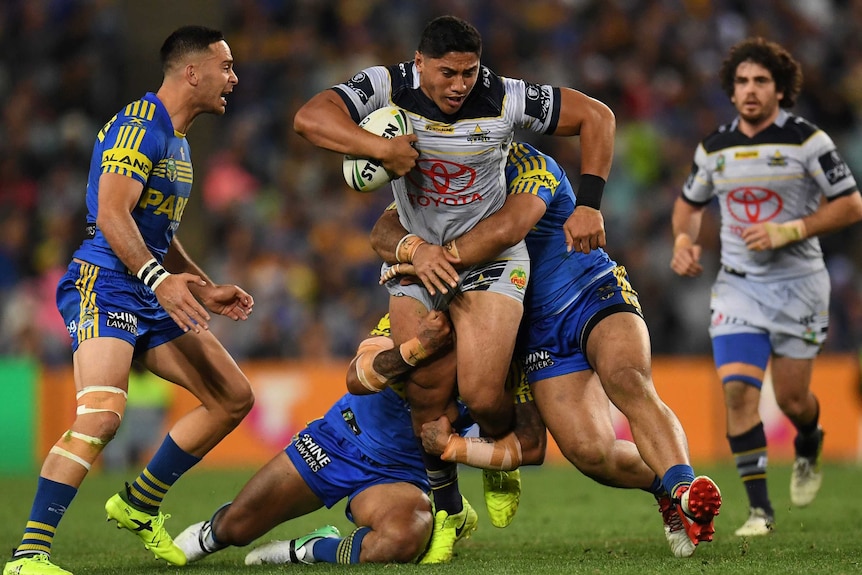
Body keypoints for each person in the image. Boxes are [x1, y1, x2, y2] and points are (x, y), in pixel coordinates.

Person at [293, 14, 614, 555]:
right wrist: (376, 149)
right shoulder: (384, 85)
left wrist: (588, 202)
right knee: (421, 387)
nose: (459, 84)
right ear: (420, 66)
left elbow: (597, 116)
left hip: (487, 256)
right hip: (420, 258)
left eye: (469, 72)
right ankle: (446, 513)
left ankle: (495, 453)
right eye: (446, 73)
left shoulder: (507, 97)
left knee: (484, 394)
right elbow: (309, 118)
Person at [374, 141, 722, 558]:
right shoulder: (438, 181)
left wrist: (426, 257)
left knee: (627, 380)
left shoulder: (530, 165)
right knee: (591, 453)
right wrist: (411, 249)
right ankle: (665, 490)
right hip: (535, 331)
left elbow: (507, 230)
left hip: (589, 290)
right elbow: (384, 230)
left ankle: (685, 488)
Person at [3, 26, 256, 575]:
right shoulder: (139, 127)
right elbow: (112, 216)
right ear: (192, 71)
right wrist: (159, 279)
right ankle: (28, 556)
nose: (233, 78)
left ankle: (139, 502)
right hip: (107, 282)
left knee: (233, 397)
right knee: (102, 414)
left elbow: (158, 230)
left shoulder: (180, 140)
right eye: (226, 67)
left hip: (147, 285)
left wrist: (200, 283)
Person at [670, 37, 862, 537]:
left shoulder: (807, 141)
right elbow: (689, 204)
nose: (750, 90)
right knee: (737, 391)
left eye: (761, 81)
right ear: (731, 92)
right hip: (739, 287)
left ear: (780, 90)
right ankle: (760, 511)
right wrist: (683, 241)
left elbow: (851, 204)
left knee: (795, 399)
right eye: (741, 82)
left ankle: (808, 440)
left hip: (799, 285)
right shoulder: (714, 147)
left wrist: (791, 229)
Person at [172, 311, 543, 565]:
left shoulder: (504, 352)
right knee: (236, 528)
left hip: (401, 473)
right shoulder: (415, 317)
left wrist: (463, 450)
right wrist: (419, 347)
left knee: (404, 538)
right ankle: (212, 532)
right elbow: (356, 377)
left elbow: (526, 434)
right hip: (338, 441)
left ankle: (311, 550)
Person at [100, 362, 173, 472]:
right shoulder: (123, 380)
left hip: (148, 433)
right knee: (114, 444)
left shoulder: (158, 382)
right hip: (128, 432)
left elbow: (164, 415)